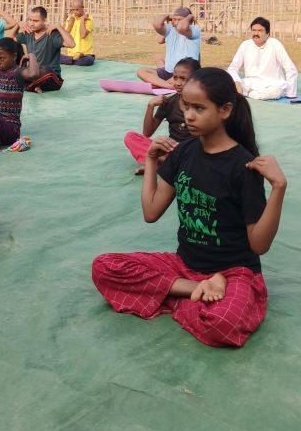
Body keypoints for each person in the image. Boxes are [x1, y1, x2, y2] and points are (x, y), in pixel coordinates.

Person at [92, 68, 287, 347]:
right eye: (186, 106)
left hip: (232, 274)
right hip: (183, 267)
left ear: (225, 110)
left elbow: (258, 246)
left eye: (199, 108)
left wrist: (279, 188)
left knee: (223, 323)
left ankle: (169, 294)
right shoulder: (183, 152)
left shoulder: (243, 166)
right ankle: (195, 292)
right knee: (105, 267)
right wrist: (149, 161)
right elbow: (151, 212)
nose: (189, 116)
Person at [124, 57, 201, 174]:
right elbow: (147, 133)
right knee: (131, 137)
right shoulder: (168, 102)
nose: (178, 83)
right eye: (175, 78)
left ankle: (159, 162)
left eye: (183, 79)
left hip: (193, 150)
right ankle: (160, 162)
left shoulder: (203, 103)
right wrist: (150, 106)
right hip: (170, 149)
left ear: (196, 80)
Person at [226, 17, 298, 100]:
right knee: (225, 85)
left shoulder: (275, 45)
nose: (256, 33)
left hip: (272, 85)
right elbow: (232, 68)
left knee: (276, 91)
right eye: (254, 30)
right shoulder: (245, 45)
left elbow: (290, 68)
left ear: (267, 33)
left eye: (260, 31)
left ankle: (251, 93)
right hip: (249, 84)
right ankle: (249, 92)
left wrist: (291, 94)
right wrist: (237, 82)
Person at [0, 37, 39, 148]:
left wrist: (32, 56)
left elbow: (33, 74)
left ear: (14, 57)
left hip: (11, 128)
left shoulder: (18, 73)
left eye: (1, 58)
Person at [13, 6, 75, 93]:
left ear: (44, 21)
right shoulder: (28, 33)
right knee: (17, 70)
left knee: (46, 71)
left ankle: (30, 86)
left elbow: (71, 44)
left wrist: (59, 27)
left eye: (35, 21)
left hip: (51, 77)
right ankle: (34, 86)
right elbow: (9, 43)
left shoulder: (51, 35)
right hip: (33, 74)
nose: (31, 23)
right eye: (30, 20)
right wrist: (18, 25)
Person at [136, 7, 202, 88]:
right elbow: (157, 25)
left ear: (188, 21)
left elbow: (181, 28)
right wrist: (168, 16)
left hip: (185, 71)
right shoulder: (170, 29)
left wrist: (190, 17)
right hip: (169, 71)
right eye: (175, 19)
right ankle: (168, 86)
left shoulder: (194, 30)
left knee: (177, 76)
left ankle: (161, 84)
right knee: (141, 71)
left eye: (180, 19)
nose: (177, 22)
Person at [61, 0, 95, 66]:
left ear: (82, 7)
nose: (74, 12)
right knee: (55, 56)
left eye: (77, 10)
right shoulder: (70, 19)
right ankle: (73, 59)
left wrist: (82, 20)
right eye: (73, 10)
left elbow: (83, 35)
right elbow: (65, 37)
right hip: (71, 54)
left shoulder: (89, 19)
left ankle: (72, 60)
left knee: (88, 60)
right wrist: (70, 23)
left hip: (85, 55)